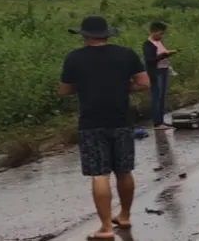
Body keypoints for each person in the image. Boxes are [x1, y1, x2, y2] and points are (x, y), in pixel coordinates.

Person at [59, 15, 149, 240]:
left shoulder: (74, 58)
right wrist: (122, 86)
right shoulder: (126, 54)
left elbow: (64, 91)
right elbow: (144, 83)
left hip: (92, 123)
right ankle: (125, 215)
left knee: (100, 175)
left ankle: (106, 227)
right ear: (107, 34)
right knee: (124, 171)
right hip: (121, 120)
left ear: (84, 36)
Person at [142, 21, 175, 130]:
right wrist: (163, 55)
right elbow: (150, 60)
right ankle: (157, 122)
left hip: (164, 70)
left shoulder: (159, 42)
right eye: (160, 33)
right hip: (156, 72)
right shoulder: (148, 44)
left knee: (162, 97)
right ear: (154, 32)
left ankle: (161, 121)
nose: (161, 36)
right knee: (157, 97)